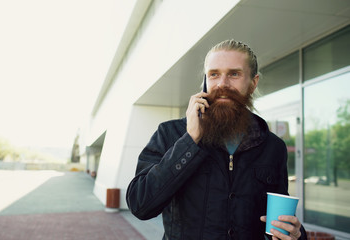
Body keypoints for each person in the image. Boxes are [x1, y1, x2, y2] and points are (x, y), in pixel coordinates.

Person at [126, 39, 307, 240]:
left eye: (234, 74)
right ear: (205, 81)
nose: (222, 84)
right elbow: (140, 205)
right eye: (214, 74)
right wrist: (190, 140)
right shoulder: (170, 133)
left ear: (253, 83)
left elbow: (279, 219)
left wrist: (296, 234)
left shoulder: (273, 147)